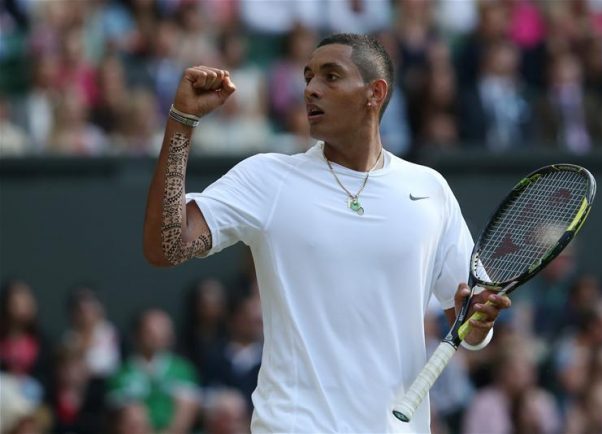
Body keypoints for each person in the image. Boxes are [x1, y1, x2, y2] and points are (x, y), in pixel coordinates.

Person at [143, 33, 511, 433]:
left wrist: (479, 325)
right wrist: (182, 121)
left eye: (330, 76)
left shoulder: (430, 190)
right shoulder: (267, 178)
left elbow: (467, 326)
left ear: (375, 93)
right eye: (308, 77)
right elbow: (167, 246)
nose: (311, 89)